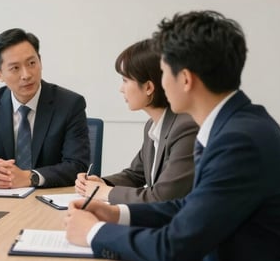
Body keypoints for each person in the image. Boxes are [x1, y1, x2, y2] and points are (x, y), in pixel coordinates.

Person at [65, 11, 280, 261]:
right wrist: (116, 214)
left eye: (162, 72)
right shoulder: (232, 126)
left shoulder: (238, 141)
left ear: (185, 79)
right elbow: (188, 208)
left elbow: (173, 249)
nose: (158, 83)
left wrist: (92, 233)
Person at [0, 28, 89, 188]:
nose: (26, 75)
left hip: (51, 199)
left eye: (32, 63)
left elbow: (77, 166)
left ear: (40, 62)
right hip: (5, 199)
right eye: (15, 68)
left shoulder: (70, 104)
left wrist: (29, 177)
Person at [75, 39, 197, 203]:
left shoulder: (185, 127)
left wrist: (106, 193)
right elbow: (135, 174)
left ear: (148, 87)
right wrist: (102, 182)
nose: (121, 89)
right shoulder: (153, 125)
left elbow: (162, 197)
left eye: (125, 80)